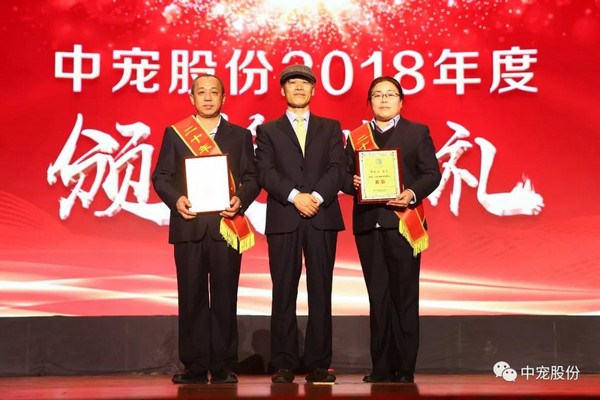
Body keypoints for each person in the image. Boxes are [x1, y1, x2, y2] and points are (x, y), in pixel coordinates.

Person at [152, 74, 260, 384]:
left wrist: (240, 199)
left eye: (214, 92)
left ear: (224, 98)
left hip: (227, 226)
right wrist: (177, 200)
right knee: (191, 297)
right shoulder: (176, 134)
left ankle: (223, 365)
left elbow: (252, 178)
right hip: (189, 226)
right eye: (202, 92)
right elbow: (161, 177)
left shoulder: (239, 135)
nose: (208, 97)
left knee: (225, 296)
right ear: (192, 98)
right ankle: (195, 366)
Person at [342, 76, 441, 383]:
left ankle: (405, 367)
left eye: (390, 94)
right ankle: (381, 367)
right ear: (369, 102)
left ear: (401, 101)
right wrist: (351, 182)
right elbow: (343, 176)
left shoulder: (417, 132)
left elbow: (431, 174)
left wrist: (411, 193)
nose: (384, 99)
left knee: (404, 296)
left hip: (403, 224)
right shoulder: (356, 137)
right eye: (377, 95)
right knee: (378, 297)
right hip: (368, 226)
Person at [255, 64, 346, 383]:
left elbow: (338, 168)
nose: (298, 88)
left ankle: (319, 363)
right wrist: (295, 197)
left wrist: (315, 197)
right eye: (292, 83)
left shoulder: (331, 127)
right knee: (283, 290)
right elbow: (264, 171)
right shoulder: (268, 130)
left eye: (304, 83)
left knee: (321, 289)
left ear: (313, 90)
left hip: (322, 216)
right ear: (282, 90)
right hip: (284, 216)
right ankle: (284, 362)